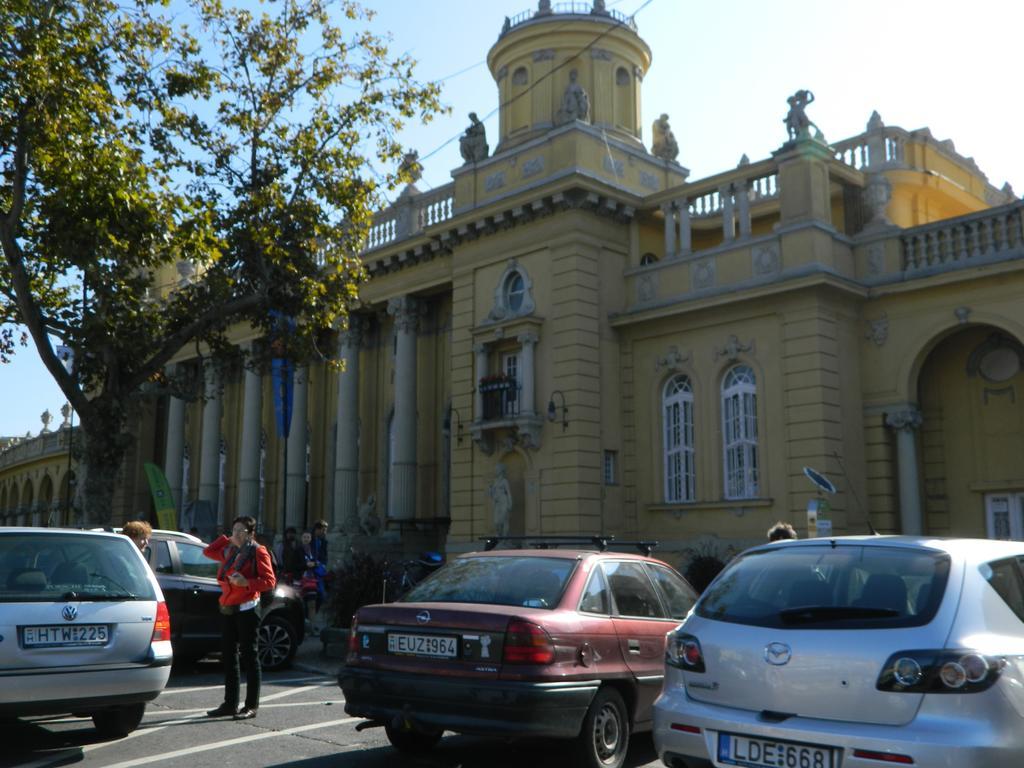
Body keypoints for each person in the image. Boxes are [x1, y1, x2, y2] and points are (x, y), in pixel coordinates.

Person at [203, 515, 276, 720]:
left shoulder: (258, 551)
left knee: (250, 657)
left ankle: (251, 706)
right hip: (228, 607)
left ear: (250, 533)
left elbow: (269, 581)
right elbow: (208, 551)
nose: (236, 533)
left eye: (240, 530)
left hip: (247, 609)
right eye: (234, 529)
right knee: (228, 656)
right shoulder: (230, 550)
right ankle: (230, 703)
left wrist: (247, 582)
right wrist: (227, 538)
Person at [299, 529, 327, 635]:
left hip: (311, 581)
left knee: (312, 604)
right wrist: (305, 565)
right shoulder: (298, 550)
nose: (306, 539)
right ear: (301, 539)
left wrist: (315, 564)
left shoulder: (313, 551)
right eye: (304, 537)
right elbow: (294, 565)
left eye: (308, 537)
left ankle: (311, 628)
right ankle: (303, 628)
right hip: (301, 581)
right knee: (303, 605)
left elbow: (317, 562)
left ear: (311, 539)